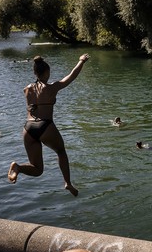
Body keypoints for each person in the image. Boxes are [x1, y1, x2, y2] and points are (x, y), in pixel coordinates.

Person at [7, 54, 90, 196]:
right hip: (45, 126)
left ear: (35, 73)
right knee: (61, 152)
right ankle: (67, 183)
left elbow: (31, 105)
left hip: (28, 128)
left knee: (37, 169)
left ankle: (18, 168)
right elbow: (71, 76)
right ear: (47, 72)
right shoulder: (52, 87)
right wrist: (81, 61)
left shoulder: (27, 89)